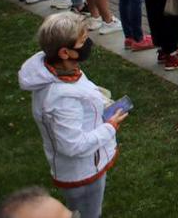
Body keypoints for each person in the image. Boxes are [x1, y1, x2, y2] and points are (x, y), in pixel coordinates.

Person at [18, 12, 127, 218]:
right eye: (83, 41)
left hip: (88, 162)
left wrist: (101, 102)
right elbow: (72, 145)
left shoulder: (60, 70)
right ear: (65, 52)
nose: (88, 44)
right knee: (88, 213)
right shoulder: (61, 99)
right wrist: (110, 127)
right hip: (83, 171)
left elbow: (81, 89)